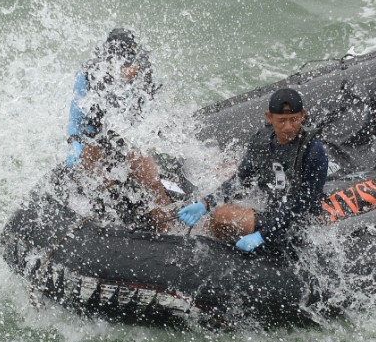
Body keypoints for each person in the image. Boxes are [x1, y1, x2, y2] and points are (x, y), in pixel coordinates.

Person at [176, 87, 329, 252]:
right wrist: (206, 203)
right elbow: (240, 181)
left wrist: (262, 235)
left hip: (298, 224)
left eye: (294, 119)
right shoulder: (261, 142)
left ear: (303, 115)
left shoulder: (313, 151)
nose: (288, 127)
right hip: (273, 212)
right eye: (282, 120)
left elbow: (301, 204)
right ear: (269, 117)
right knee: (212, 213)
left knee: (221, 216)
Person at [62, 28, 172, 233]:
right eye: (126, 65)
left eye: (133, 64)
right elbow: (75, 116)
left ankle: (168, 231)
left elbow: (143, 118)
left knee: (153, 184)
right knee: (101, 184)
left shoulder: (143, 72)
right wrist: (74, 142)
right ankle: (105, 231)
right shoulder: (90, 75)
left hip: (126, 138)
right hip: (94, 137)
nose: (131, 70)